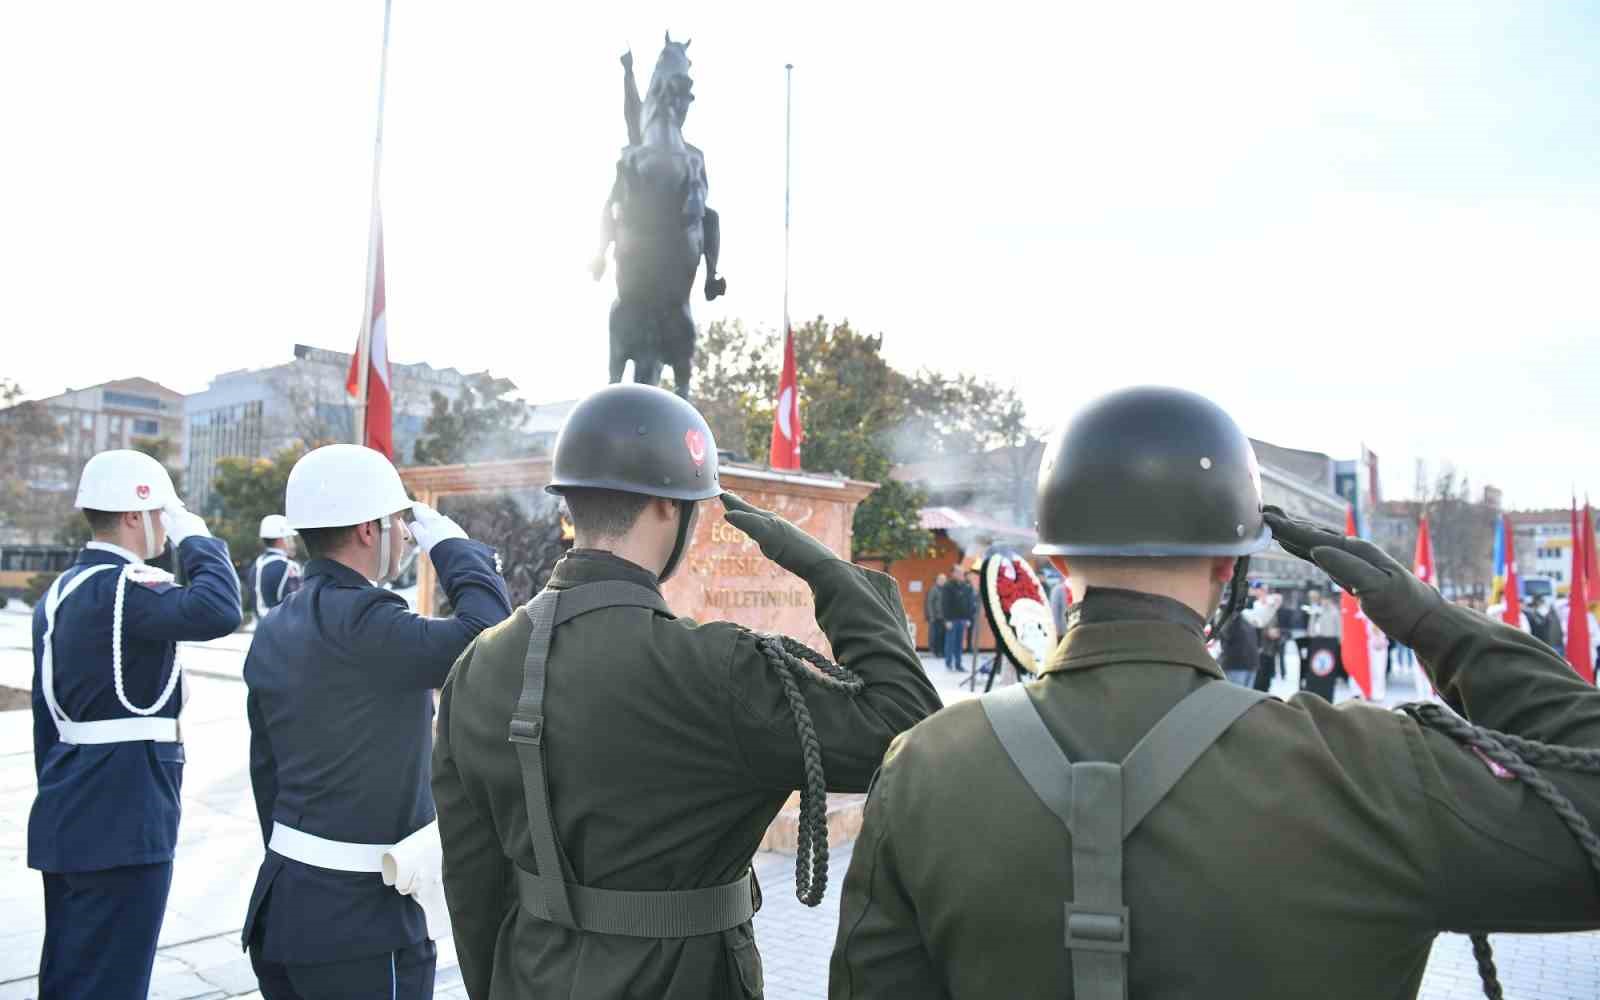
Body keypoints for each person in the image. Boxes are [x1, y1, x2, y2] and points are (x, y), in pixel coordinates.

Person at [829, 385, 1600, 999]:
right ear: (1229, 568)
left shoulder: (925, 768)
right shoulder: (1371, 771)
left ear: (1057, 563)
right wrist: (1430, 620)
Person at [432, 384, 941, 1000]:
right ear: (669, 508)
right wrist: (834, 575)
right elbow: (910, 732)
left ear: (570, 503)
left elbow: (471, 881)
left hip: (530, 975)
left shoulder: (477, 667)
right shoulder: (715, 669)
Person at [241, 444, 512, 1000]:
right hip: (359, 925)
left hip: (285, 903)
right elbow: (489, 634)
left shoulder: (278, 624)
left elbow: (265, 771)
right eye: (399, 522)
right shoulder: (367, 621)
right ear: (370, 530)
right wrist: (451, 544)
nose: (405, 535)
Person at [29, 449, 241, 1000]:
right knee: (113, 979)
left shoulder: (61, 593)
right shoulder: (127, 588)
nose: (166, 532)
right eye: (163, 516)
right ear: (135, 515)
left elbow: (45, 718)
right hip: (124, 817)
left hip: (70, 808)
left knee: (69, 971)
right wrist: (198, 538)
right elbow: (220, 609)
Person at [249, 513, 302, 619]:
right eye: (289, 537)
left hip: (261, 628)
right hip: (282, 628)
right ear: (281, 539)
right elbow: (297, 605)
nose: (293, 542)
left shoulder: (256, 564)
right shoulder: (288, 566)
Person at [942, 568, 977, 671]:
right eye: (959, 573)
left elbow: (968, 604)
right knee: (950, 643)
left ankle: (958, 664)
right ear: (953, 574)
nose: (962, 575)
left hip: (962, 619)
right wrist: (946, 620)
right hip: (951, 620)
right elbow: (945, 604)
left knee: (959, 643)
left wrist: (968, 619)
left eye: (962, 573)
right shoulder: (948, 586)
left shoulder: (965, 586)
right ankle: (948, 664)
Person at [925, 571, 947, 658]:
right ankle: (936, 651)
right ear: (937, 580)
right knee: (935, 635)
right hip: (935, 617)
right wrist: (931, 616)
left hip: (944, 617)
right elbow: (929, 603)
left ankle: (942, 651)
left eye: (944, 579)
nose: (943, 581)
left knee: (943, 635)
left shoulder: (945, 589)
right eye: (941, 579)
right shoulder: (934, 589)